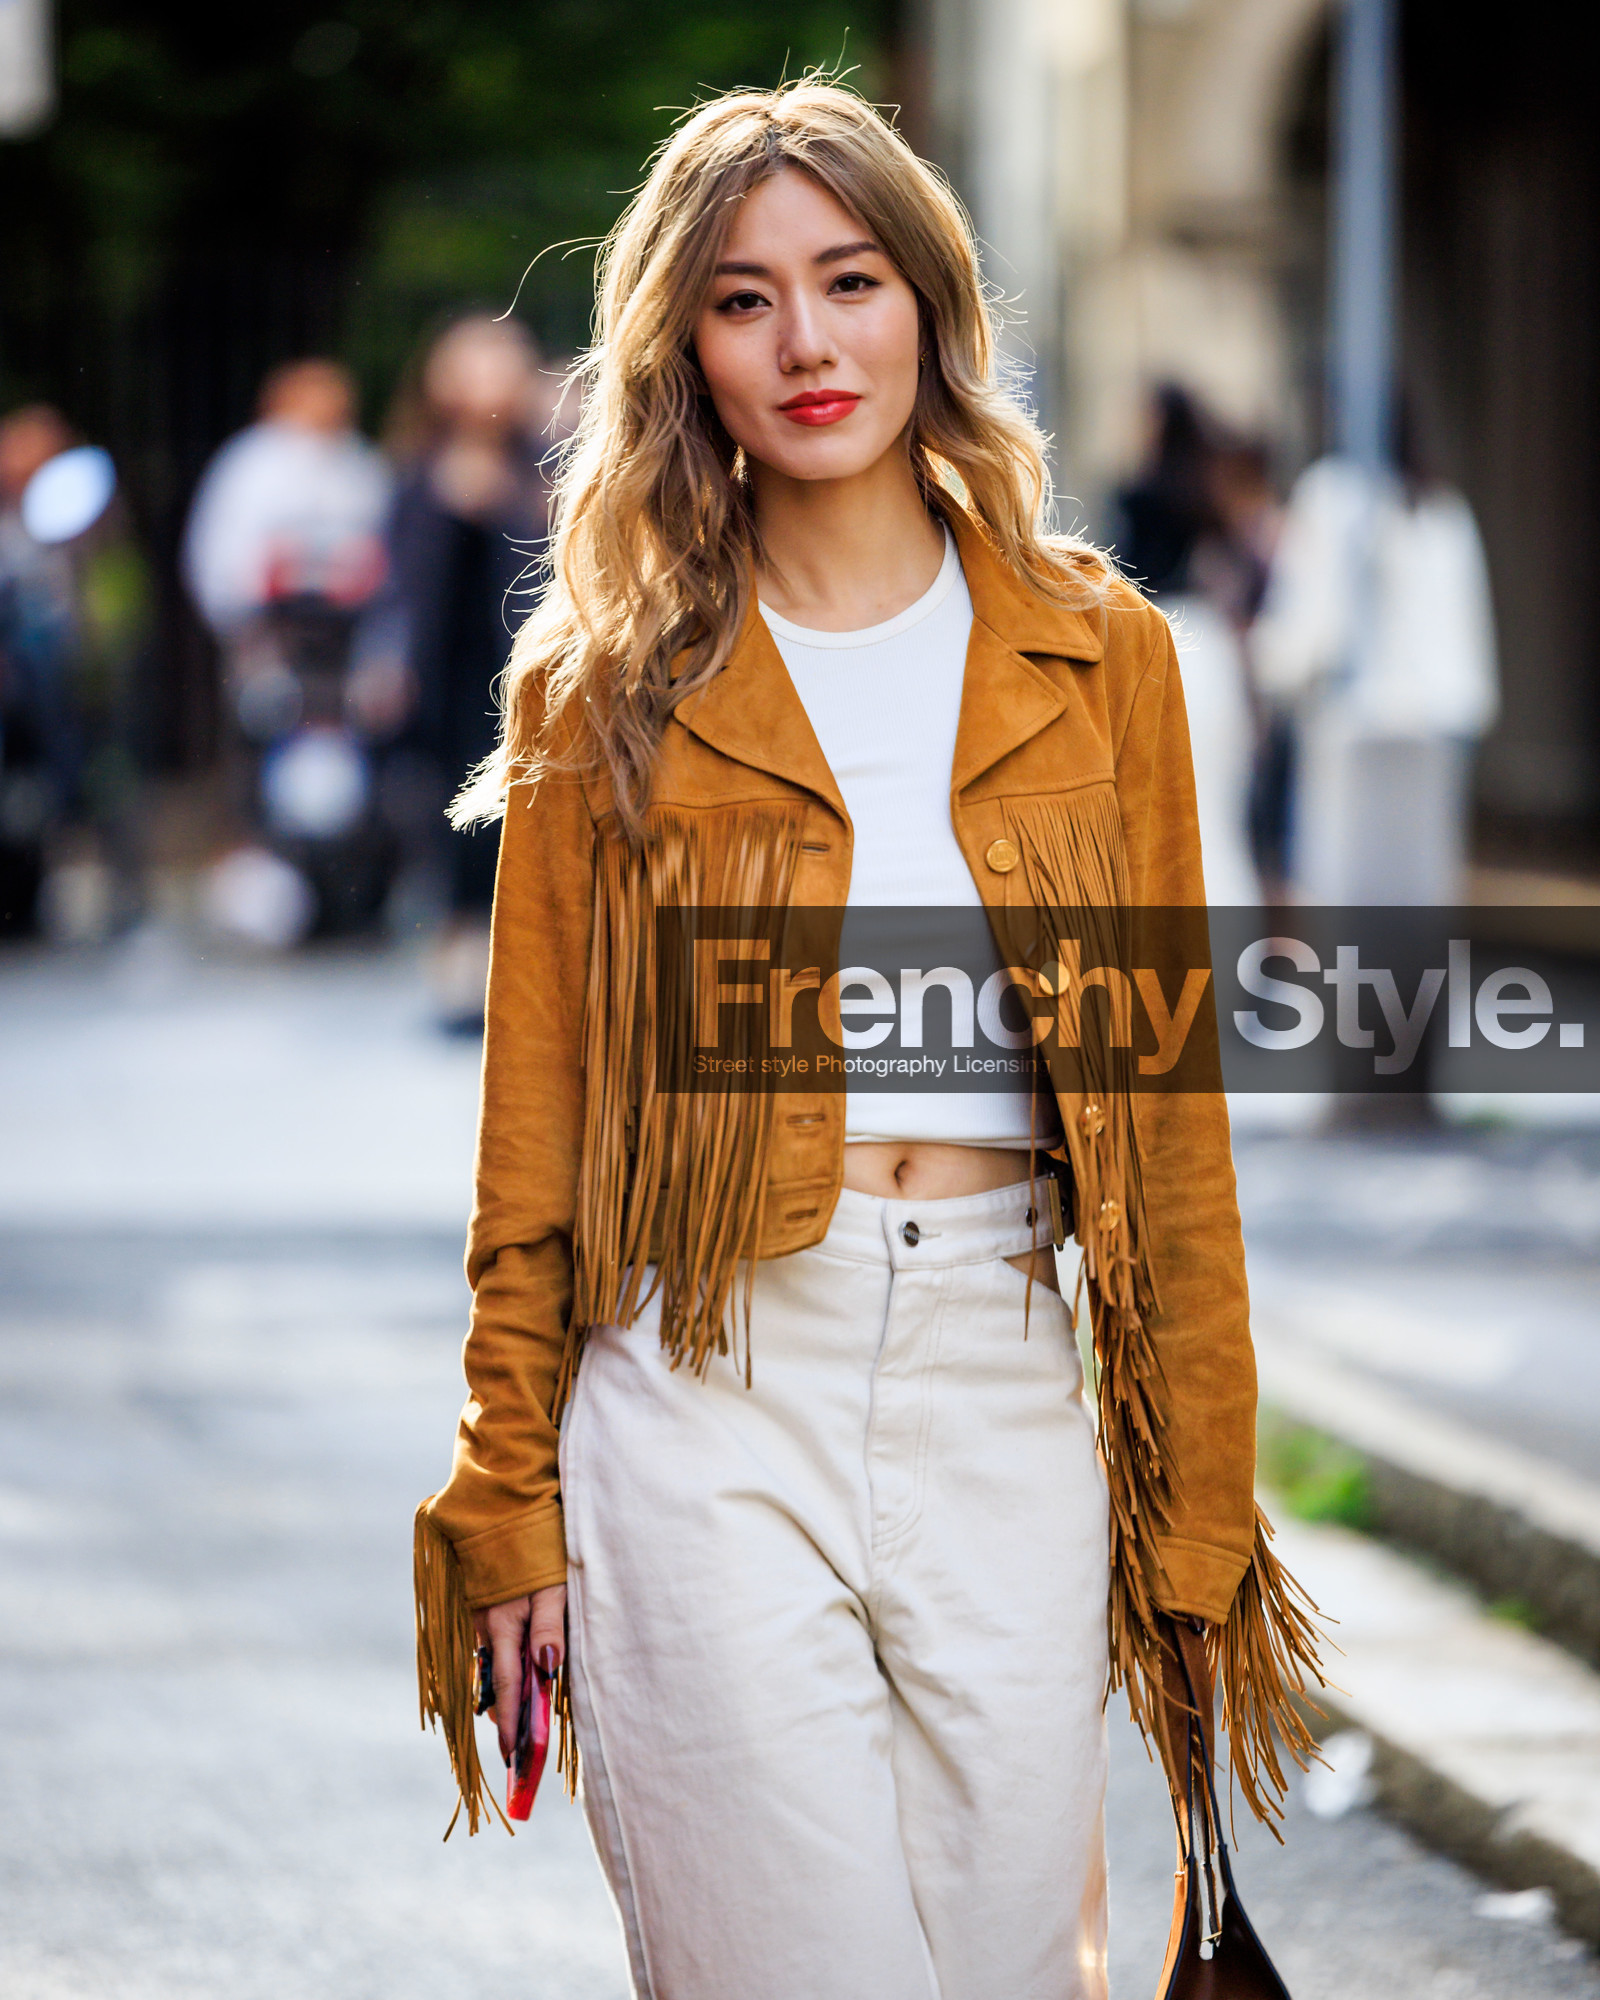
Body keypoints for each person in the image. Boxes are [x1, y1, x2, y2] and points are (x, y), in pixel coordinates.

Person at [413, 83, 1318, 2000]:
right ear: (685, 351)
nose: (809, 343)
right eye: (745, 301)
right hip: (709, 1382)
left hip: (1006, 1385)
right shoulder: (608, 688)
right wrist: (505, 1490)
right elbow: (540, 1132)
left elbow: (1169, 1138)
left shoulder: (1104, 658)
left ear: (929, 301)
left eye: (850, 281)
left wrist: (1200, 1504)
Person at [367, 314, 557, 1027]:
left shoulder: (545, 465)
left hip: (528, 672)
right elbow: (402, 587)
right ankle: (459, 963)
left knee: (530, 820)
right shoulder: (419, 468)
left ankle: (524, 967)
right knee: (451, 819)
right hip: (446, 675)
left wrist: (500, 502)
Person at [1251, 425, 1499, 906]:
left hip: (1355, 727)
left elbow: (1309, 631)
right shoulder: (1442, 506)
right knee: (1417, 892)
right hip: (1435, 726)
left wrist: (1256, 660)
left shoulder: (1331, 493)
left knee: (1342, 901)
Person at [1112, 385, 1261, 906]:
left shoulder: (1137, 496)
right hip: (1211, 652)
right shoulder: (1207, 490)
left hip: (1165, 645)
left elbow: (1124, 580)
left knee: (1173, 811)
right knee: (1218, 811)